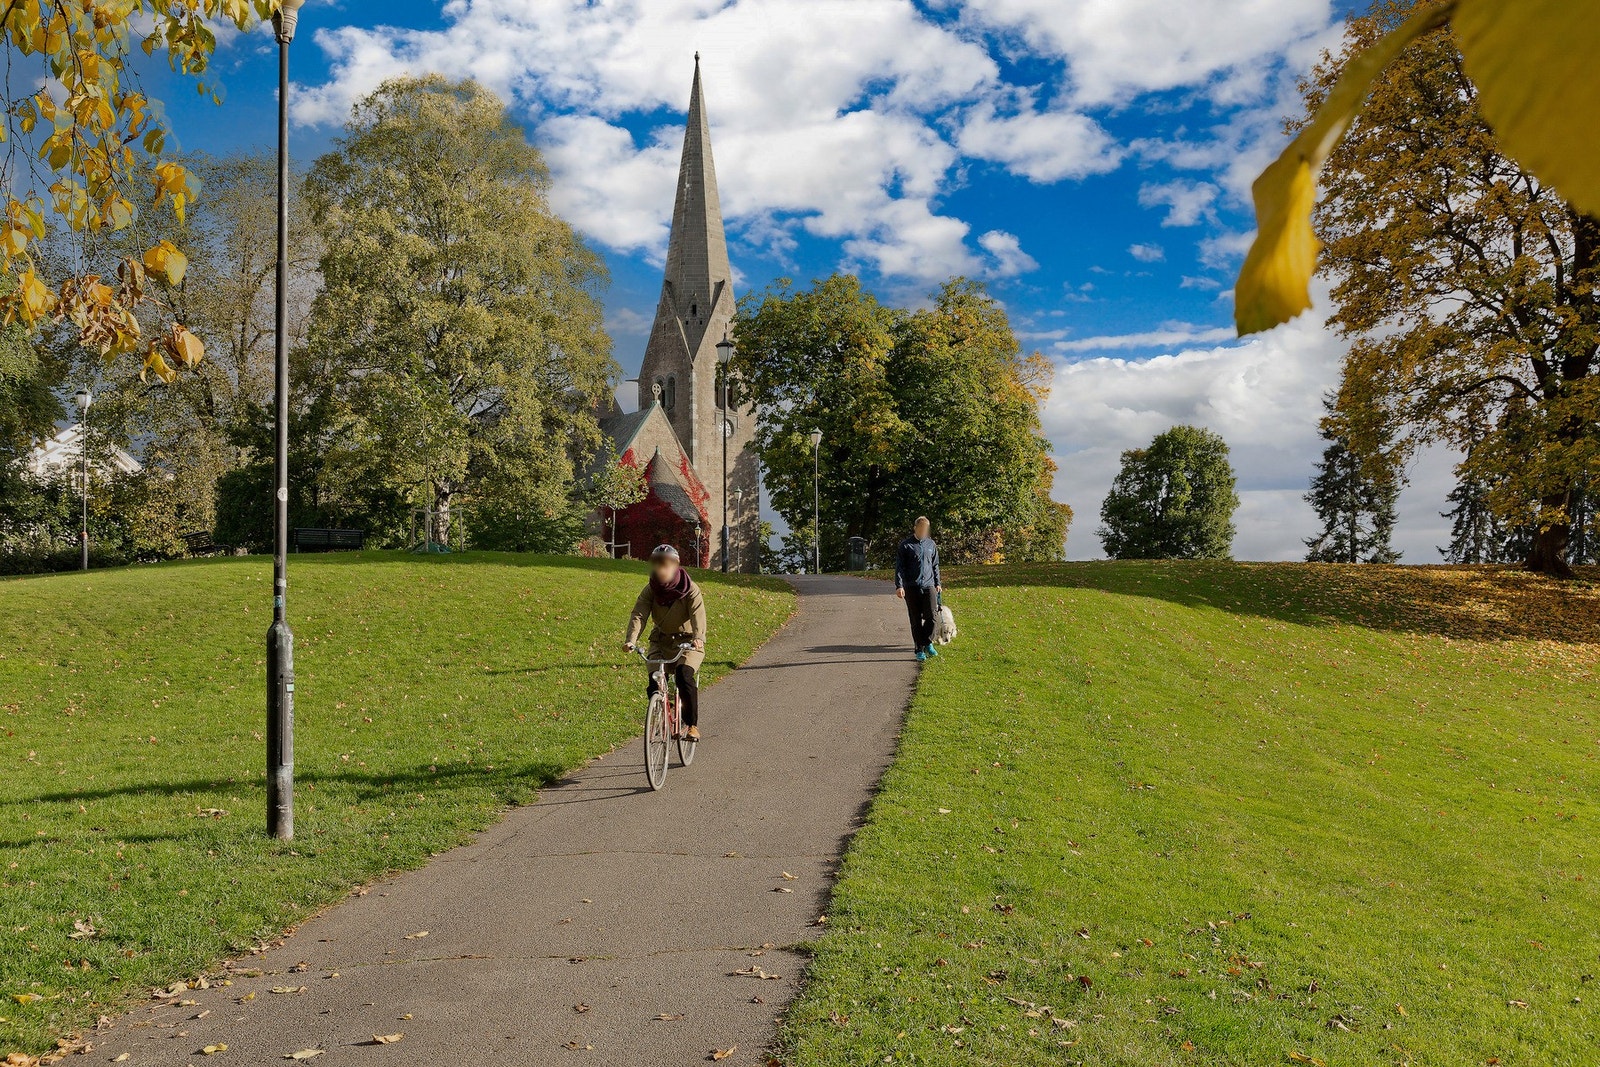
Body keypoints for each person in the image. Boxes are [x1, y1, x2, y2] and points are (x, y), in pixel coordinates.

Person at [623, 544, 707, 740]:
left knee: (684, 676)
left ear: (675, 566)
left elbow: (698, 615)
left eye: (666, 565)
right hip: (660, 641)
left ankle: (691, 724)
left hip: (687, 642)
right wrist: (631, 640)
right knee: (654, 681)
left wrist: (698, 637)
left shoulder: (689, 588)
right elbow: (639, 615)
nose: (661, 569)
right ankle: (663, 711)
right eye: (657, 564)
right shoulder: (651, 589)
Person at [894, 516, 942, 662]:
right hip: (911, 587)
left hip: (929, 585)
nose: (923, 531)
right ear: (915, 528)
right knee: (915, 620)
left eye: (925, 529)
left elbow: (935, 565)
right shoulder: (906, 545)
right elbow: (899, 567)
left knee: (932, 617)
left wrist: (938, 583)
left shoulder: (931, 544)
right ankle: (919, 649)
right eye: (921, 529)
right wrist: (899, 586)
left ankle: (927, 642)